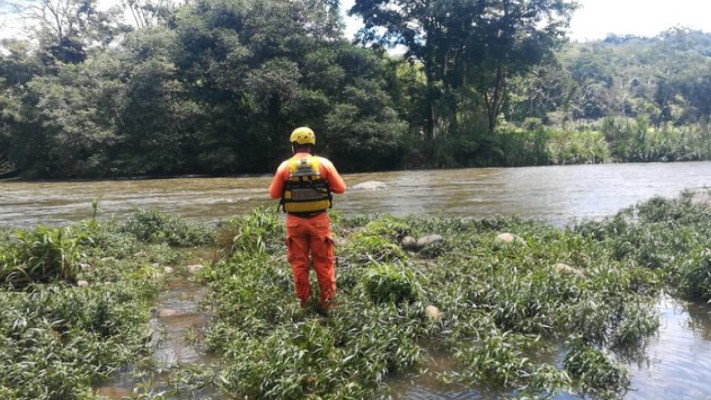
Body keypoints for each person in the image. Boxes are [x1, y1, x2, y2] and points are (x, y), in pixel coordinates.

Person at [269, 127, 347, 313]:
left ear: (293, 146)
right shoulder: (324, 164)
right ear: (311, 145)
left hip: (295, 223)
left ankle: (304, 304)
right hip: (319, 221)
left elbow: (273, 194)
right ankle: (329, 305)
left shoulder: (284, 167)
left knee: (299, 264)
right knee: (324, 264)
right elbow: (341, 189)